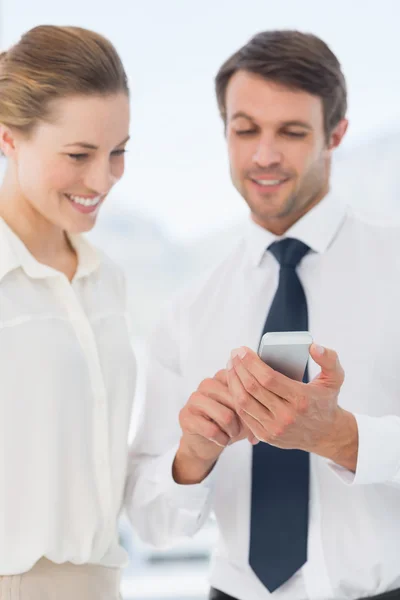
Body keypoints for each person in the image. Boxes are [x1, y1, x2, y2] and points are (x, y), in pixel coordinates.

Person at [125, 30, 400, 600]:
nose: (264, 155)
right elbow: (153, 524)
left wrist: (344, 437)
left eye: (292, 132)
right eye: (245, 129)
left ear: (336, 134)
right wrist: (192, 455)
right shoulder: (188, 311)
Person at [0, 25, 135, 599]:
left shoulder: (107, 282)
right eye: (78, 155)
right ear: (9, 139)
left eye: (119, 152)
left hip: (101, 583)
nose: (102, 179)